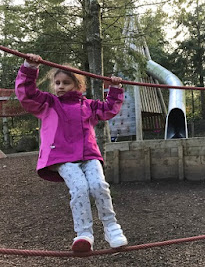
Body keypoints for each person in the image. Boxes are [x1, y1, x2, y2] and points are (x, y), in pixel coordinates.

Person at [15, 54, 128, 252]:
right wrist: (29, 68)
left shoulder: (89, 106)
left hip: (88, 155)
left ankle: (112, 228)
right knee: (80, 189)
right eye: (57, 82)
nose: (60, 86)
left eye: (66, 83)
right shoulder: (48, 103)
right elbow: (27, 94)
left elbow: (110, 109)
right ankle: (84, 234)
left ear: (78, 86)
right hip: (62, 158)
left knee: (99, 185)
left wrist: (115, 88)